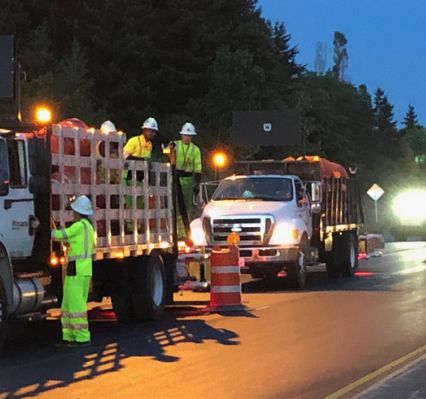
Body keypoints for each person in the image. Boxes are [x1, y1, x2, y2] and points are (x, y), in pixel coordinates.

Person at [52, 195, 94, 346]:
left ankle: (81, 337)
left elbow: (61, 235)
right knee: (69, 303)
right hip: (82, 269)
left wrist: (43, 230)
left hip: (76, 269)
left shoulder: (79, 226)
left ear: (77, 211)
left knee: (74, 304)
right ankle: (69, 336)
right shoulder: (88, 227)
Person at [174, 122, 202, 237]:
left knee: (186, 206)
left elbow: (198, 167)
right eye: (185, 135)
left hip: (188, 179)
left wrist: (197, 183)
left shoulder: (195, 149)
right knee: (175, 205)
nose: (187, 137)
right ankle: (175, 231)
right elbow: (166, 152)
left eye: (189, 136)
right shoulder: (175, 145)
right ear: (182, 135)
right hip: (176, 177)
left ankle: (184, 233)